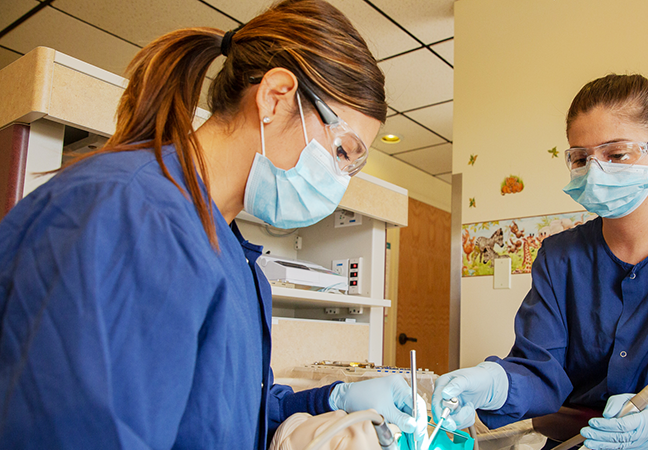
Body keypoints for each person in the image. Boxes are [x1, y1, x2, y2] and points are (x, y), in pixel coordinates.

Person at [0, 0, 425, 448]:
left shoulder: (236, 262)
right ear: (275, 97)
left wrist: (337, 399)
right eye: (342, 151)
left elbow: (230, 412)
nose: (339, 180)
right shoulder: (133, 215)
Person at [432, 74, 648, 450]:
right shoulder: (560, 256)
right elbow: (541, 369)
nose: (595, 171)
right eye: (581, 157)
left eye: (616, 155)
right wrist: (493, 383)